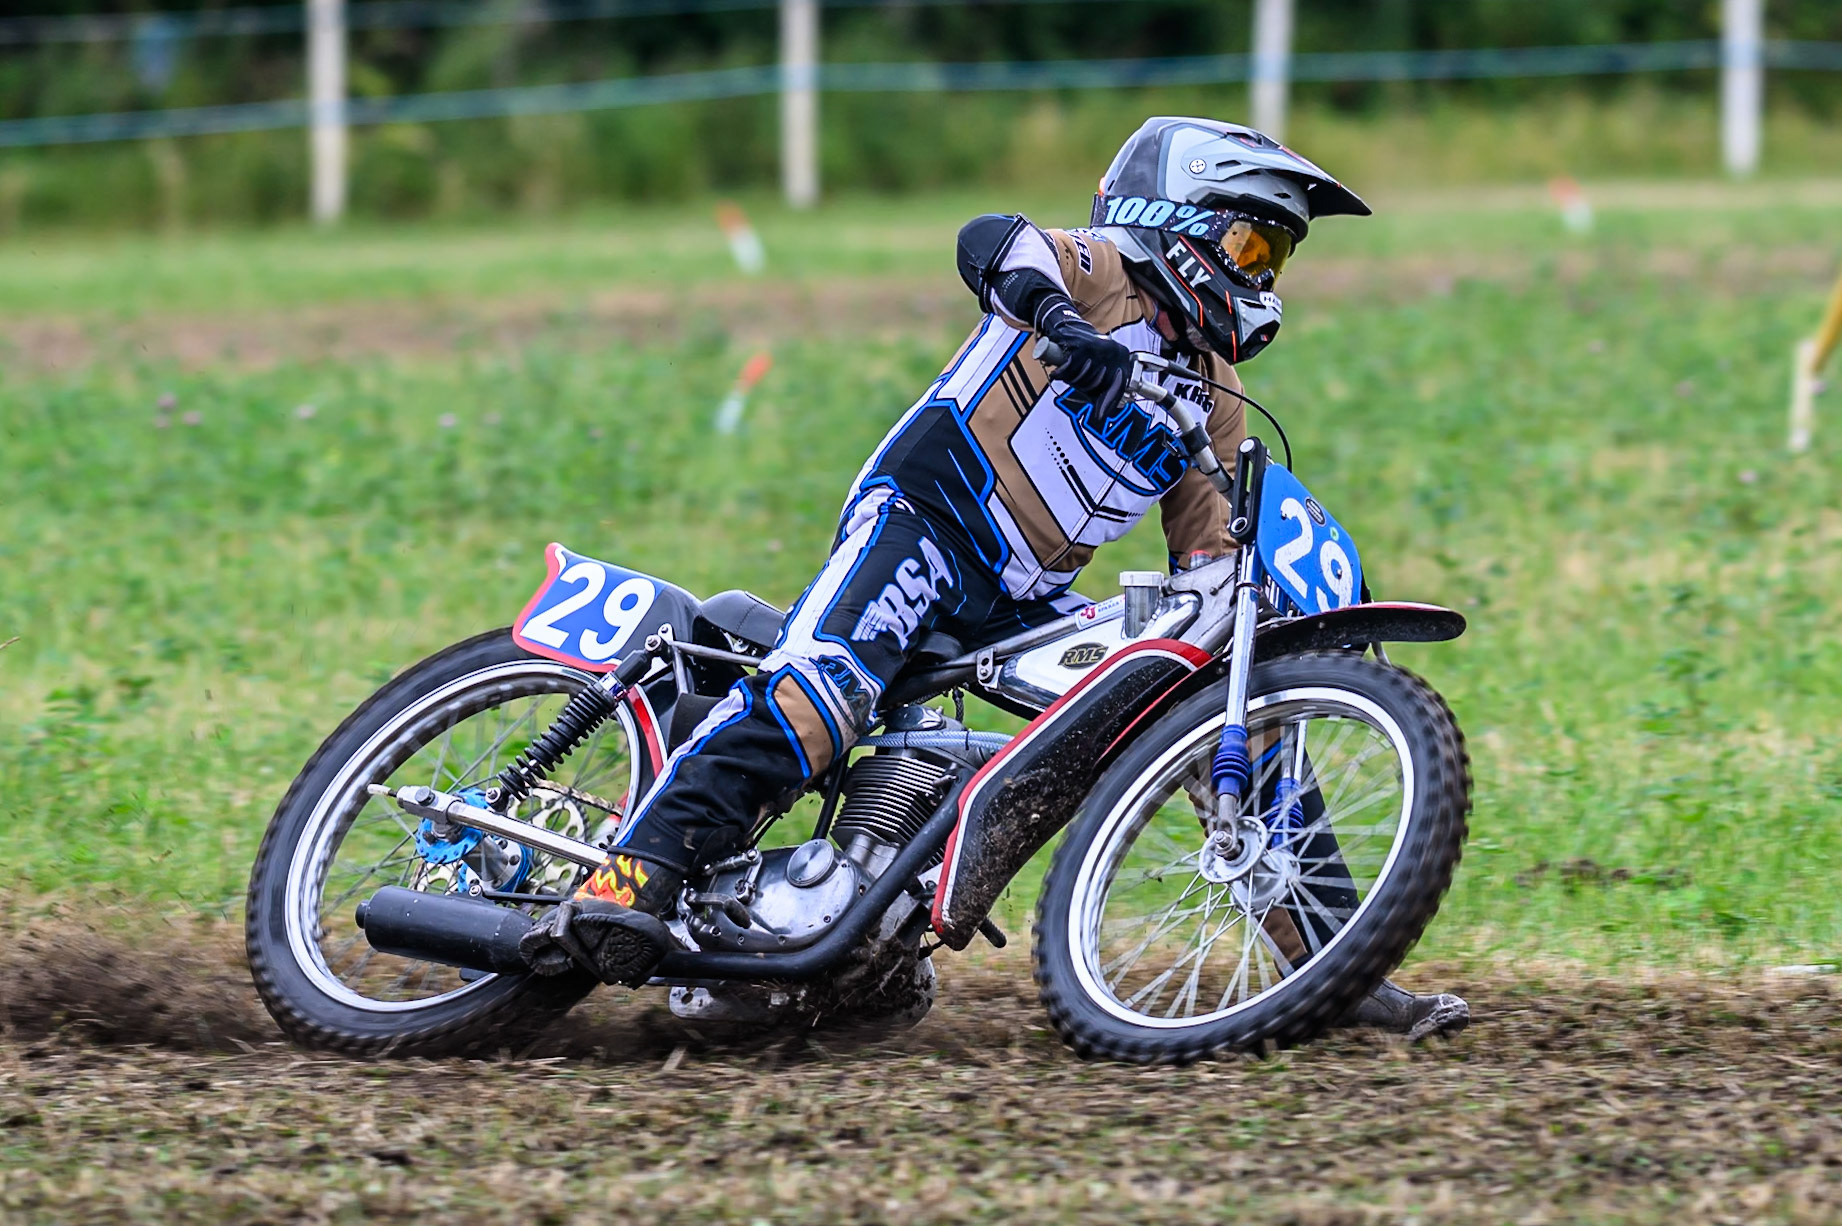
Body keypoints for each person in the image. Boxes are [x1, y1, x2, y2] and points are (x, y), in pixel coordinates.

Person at [522, 116, 1468, 1040]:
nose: (1259, 274)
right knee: (821, 697)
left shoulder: (1214, 393)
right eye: (1251, 242)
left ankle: (1337, 964)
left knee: (1204, 702)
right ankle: (634, 871)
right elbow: (995, 244)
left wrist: (1250, 621)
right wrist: (1062, 323)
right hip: (927, 521)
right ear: (1177, 215)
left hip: (1024, 595)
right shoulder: (1103, 273)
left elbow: (1208, 556)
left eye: (1275, 259)